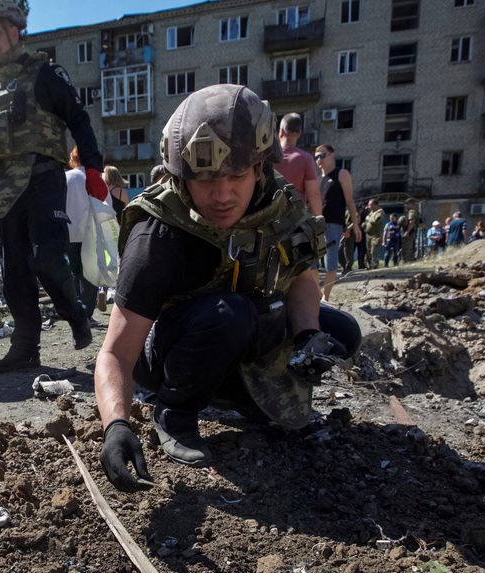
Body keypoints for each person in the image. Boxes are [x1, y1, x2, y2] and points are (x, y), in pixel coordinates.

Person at [95, 85, 361, 490]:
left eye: (236, 176)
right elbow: (115, 351)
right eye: (205, 180)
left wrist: (308, 336)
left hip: (241, 329)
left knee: (341, 332)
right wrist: (116, 424)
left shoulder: (278, 204)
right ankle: (175, 412)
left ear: (259, 167)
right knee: (228, 315)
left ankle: (244, 398)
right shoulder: (158, 232)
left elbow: (301, 280)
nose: (222, 195)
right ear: (181, 176)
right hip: (171, 350)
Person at [0, 0, 103, 373]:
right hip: (3, 191)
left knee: (47, 258)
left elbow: (77, 119)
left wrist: (93, 168)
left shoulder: (46, 75)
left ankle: (75, 313)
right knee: (14, 275)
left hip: (44, 179)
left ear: (15, 30)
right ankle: (25, 346)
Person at [316, 144, 361, 301]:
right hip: (316, 226)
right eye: (316, 156)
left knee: (331, 263)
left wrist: (354, 224)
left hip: (333, 225)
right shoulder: (317, 179)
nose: (318, 159)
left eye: (322, 155)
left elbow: (350, 201)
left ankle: (325, 298)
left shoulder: (342, 174)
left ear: (332, 155)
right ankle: (317, 295)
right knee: (312, 265)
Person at [65, 147, 99, 322]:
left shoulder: (66, 177)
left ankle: (75, 311)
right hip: (90, 231)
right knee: (90, 273)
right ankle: (87, 313)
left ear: (73, 158)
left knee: (73, 271)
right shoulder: (93, 177)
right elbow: (105, 205)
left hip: (69, 231)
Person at [274, 113, 323, 216]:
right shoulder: (305, 158)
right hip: (294, 220)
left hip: (268, 220)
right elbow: (313, 194)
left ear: (281, 132)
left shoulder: (266, 158)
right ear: (299, 133)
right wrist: (319, 224)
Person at [362, 199, 386, 269]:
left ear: (375, 205)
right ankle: (369, 265)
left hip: (376, 235)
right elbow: (367, 222)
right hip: (368, 235)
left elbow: (376, 221)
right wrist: (364, 225)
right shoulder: (371, 212)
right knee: (368, 251)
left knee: (373, 251)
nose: (369, 206)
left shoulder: (380, 212)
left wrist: (368, 218)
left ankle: (375, 265)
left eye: (370, 205)